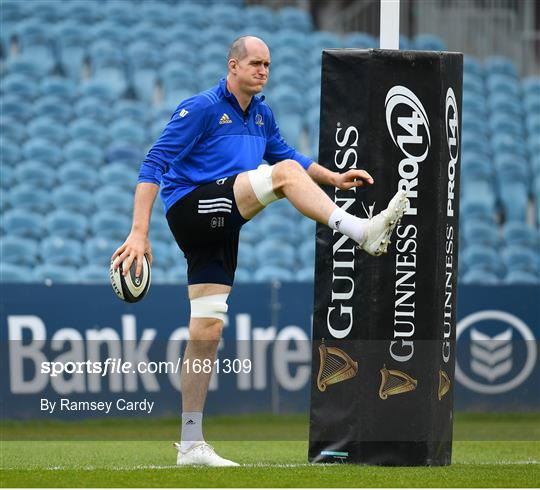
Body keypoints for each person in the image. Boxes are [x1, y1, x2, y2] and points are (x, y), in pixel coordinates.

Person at [112, 36, 408, 467]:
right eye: (255, 63)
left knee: (207, 332)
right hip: (192, 207)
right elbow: (152, 163)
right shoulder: (202, 108)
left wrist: (334, 178)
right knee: (282, 176)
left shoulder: (262, 113)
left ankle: (191, 443)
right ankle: (361, 231)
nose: (262, 70)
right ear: (232, 65)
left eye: (267, 64)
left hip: (222, 220)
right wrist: (139, 232)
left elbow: (289, 153)